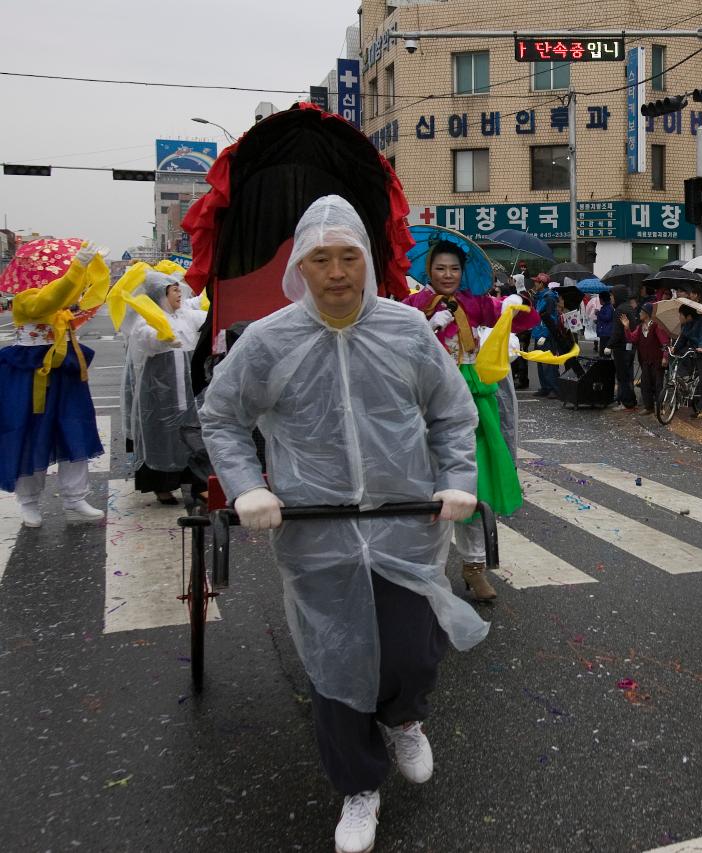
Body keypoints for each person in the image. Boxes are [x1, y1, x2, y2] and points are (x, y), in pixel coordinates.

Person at [200, 196, 489, 853]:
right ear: (300, 266)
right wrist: (249, 487)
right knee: (335, 666)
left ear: (368, 259)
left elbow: (450, 411)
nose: (335, 271)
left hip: (404, 522)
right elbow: (222, 416)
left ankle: (405, 716)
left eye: (348, 256)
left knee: (411, 650)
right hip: (317, 530)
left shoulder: (407, 331)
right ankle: (359, 786)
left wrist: (459, 481)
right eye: (320, 259)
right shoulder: (270, 340)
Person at [405, 237, 537, 601]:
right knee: (423, 485)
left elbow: (524, 321)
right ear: (428, 270)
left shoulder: (476, 302)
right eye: (440, 268)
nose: (447, 275)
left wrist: (516, 305)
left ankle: (474, 569)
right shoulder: (412, 305)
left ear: (463, 273)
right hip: (427, 396)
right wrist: (426, 325)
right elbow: (394, 343)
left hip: (472, 397)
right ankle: (423, 570)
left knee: (473, 483)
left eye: (454, 269)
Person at [0, 240, 108, 528]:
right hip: (30, 374)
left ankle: (75, 497)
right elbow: (51, 298)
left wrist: (89, 272)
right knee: (30, 434)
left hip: (64, 372)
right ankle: (29, 501)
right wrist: (78, 267)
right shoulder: (26, 300)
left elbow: (71, 294)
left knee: (75, 428)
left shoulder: (60, 303)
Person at [126, 270, 208, 504]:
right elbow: (147, 338)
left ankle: (199, 482)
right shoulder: (146, 318)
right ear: (160, 294)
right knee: (162, 434)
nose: (179, 294)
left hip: (188, 382)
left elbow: (206, 316)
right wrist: (163, 337)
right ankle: (161, 485)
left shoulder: (185, 315)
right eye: (174, 290)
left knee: (193, 431)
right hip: (161, 386)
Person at [621, 302, 669, 414]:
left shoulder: (657, 326)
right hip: (645, 361)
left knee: (658, 385)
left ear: (648, 314)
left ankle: (660, 407)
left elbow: (665, 343)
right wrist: (627, 328)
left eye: (642, 311)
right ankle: (649, 407)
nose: (640, 313)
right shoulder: (640, 327)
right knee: (645, 384)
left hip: (657, 361)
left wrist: (665, 357)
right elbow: (632, 339)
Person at [672, 303, 702, 419]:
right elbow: (682, 339)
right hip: (695, 351)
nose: (679, 318)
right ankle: (686, 379)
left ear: (689, 316)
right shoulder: (685, 325)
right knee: (679, 357)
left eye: (681, 315)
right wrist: (675, 348)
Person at [604, 288, 638, 411]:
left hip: (621, 347)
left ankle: (626, 402)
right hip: (630, 346)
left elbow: (617, 331)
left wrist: (609, 345)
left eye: (612, 296)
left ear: (618, 296)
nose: (611, 298)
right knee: (628, 374)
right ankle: (629, 400)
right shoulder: (629, 307)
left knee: (623, 375)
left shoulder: (620, 310)